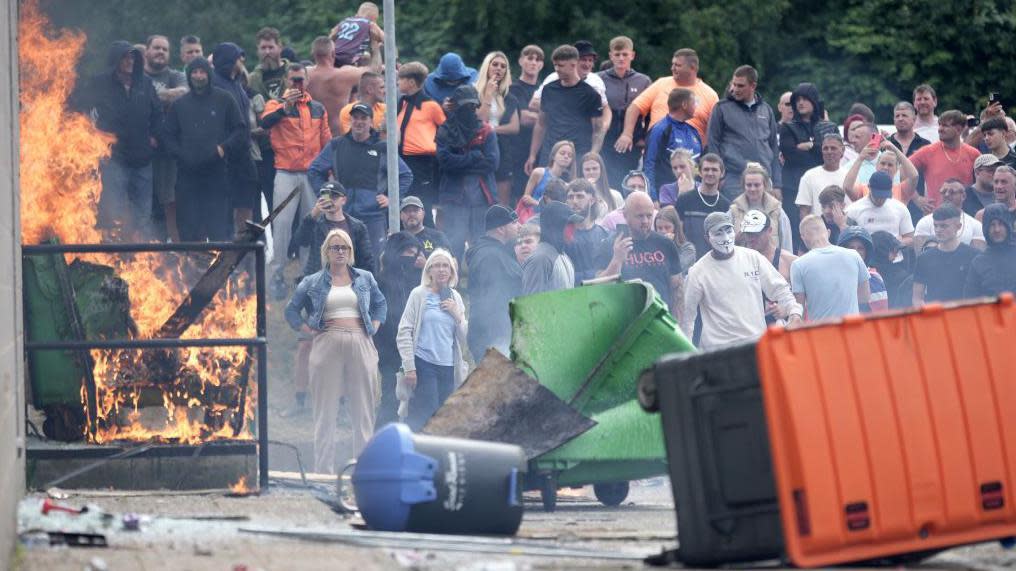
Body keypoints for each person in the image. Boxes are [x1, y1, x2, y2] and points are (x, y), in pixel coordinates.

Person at [285, 228, 386, 473]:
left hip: (360, 340)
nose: (340, 252)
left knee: (363, 409)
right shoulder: (312, 281)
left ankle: (363, 470)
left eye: (344, 247)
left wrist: (374, 325)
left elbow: (380, 303)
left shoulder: (365, 278)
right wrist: (308, 330)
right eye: (335, 247)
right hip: (327, 342)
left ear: (350, 252)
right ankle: (324, 471)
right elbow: (291, 310)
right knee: (325, 411)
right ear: (326, 251)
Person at [286, 181, 375, 417]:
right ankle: (299, 400)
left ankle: (344, 404)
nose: (330, 199)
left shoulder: (356, 227)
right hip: (315, 290)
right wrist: (312, 215)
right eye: (325, 195)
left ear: (344, 199)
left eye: (335, 195)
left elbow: (367, 261)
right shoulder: (316, 223)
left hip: (347, 293)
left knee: (344, 348)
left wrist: (363, 290)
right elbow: (298, 243)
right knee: (306, 344)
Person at [77, 40, 162, 240]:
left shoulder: (146, 83)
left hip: (142, 159)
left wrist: (155, 137)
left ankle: (143, 258)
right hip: (113, 158)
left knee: (142, 215)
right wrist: (92, 135)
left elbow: (157, 114)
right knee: (113, 212)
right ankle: (116, 257)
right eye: (125, 57)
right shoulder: (100, 83)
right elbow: (81, 110)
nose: (130, 61)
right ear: (116, 59)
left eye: (133, 57)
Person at [262, 63, 333, 298]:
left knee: (311, 223)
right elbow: (265, 122)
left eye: (301, 80)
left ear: (307, 80)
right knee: (281, 225)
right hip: (285, 172)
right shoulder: (275, 105)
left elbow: (326, 142)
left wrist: (329, 172)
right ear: (285, 80)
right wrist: (286, 107)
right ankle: (277, 274)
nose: (297, 84)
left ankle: (308, 274)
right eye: (293, 80)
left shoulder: (318, 108)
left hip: (312, 174)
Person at [682, 212, 802, 349]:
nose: (725, 237)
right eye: (718, 233)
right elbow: (687, 317)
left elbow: (780, 290)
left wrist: (795, 312)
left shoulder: (753, 258)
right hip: (718, 351)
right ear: (707, 238)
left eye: (728, 230)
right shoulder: (698, 272)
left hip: (756, 345)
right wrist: (687, 351)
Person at [309, 103, 413, 256]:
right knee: (339, 262)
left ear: (371, 122)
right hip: (341, 217)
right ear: (350, 120)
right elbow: (315, 171)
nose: (359, 121)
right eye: (355, 117)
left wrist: (392, 199)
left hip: (373, 218)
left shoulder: (382, 147)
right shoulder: (336, 145)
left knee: (373, 265)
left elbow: (405, 175)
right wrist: (326, 197)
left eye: (364, 118)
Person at [162, 57, 246, 241]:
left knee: (218, 229)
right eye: (194, 72)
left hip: (216, 173)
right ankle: (190, 269)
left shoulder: (224, 99)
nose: (198, 76)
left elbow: (240, 130)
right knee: (188, 229)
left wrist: (224, 148)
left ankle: (220, 269)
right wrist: (180, 154)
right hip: (187, 175)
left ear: (208, 74)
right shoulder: (179, 105)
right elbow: (167, 136)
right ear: (189, 75)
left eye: (202, 72)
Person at [397, 249, 468, 431]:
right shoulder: (418, 294)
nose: (441, 270)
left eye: (446, 266)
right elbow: (404, 331)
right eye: (436, 266)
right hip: (424, 363)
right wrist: (409, 367)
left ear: (452, 272)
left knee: (445, 416)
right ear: (428, 271)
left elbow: (464, 337)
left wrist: (457, 314)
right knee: (426, 413)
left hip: (448, 366)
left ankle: (440, 456)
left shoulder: (456, 297)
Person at [436, 85, 499, 259]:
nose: (468, 110)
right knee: (453, 243)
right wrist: (474, 156)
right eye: (464, 106)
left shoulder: (486, 131)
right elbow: (444, 162)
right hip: (454, 197)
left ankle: (482, 282)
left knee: (482, 243)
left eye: (472, 106)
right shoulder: (445, 130)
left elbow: (492, 163)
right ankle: (451, 282)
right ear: (456, 106)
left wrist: (459, 163)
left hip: (481, 198)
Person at [598, 192, 684, 316]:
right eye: (639, 216)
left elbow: (677, 290)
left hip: (660, 320)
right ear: (625, 216)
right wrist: (617, 260)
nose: (645, 221)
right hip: (624, 322)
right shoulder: (610, 245)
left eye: (649, 216)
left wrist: (678, 327)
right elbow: (598, 288)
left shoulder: (665, 244)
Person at [615, 48, 718, 151]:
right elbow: (634, 108)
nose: (672, 68)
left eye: (677, 65)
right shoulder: (661, 84)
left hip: (689, 157)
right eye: (672, 64)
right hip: (656, 151)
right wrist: (627, 134)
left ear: (693, 68)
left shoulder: (710, 95)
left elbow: (715, 130)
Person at [525, 45, 605, 173]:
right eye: (555, 65)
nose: (557, 69)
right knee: (544, 191)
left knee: (575, 192)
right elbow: (541, 124)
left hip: (577, 154)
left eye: (560, 66)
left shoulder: (591, 94)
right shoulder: (548, 89)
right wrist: (533, 155)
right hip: (550, 153)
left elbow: (598, 130)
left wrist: (593, 154)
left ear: (573, 64)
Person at [706, 66, 782, 200]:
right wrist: (720, 177)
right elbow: (713, 144)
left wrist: (777, 184)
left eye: (740, 86)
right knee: (737, 219)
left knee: (767, 220)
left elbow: (774, 148)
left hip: (764, 179)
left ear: (753, 86)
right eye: (734, 84)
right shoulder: (721, 108)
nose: (735, 89)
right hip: (734, 179)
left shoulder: (766, 110)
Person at [373, 232, 424, 427]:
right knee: (390, 403)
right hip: (390, 354)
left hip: (419, 352)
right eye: (406, 251)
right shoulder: (381, 282)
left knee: (417, 407)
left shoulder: (421, 280)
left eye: (414, 251)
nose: (412, 255)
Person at [779, 83, 837, 246]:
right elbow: (791, 155)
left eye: (805, 99)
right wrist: (818, 150)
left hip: (824, 185)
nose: (800, 103)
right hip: (794, 186)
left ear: (814, 101)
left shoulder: (828, 127)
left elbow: (834, 153)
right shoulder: (788, 127)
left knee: (827, 228)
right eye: (797, 100)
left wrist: (810, 146)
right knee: (797, 231)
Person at [143, 35, 187, 242]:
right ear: (146, 51)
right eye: (156, 48)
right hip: (139, 152)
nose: (161, 52)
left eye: (165, 49)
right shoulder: (136, 75)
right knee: (143, 204)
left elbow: (183, 93)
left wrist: (150, 97)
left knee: (170, 202)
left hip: (168, 152)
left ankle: (178, 253)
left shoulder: (175, 75)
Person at [210, 42, 259, 232]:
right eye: (239, 56)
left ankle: (242, 248)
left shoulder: (236, 83)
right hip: (225, 153)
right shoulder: (215, 84)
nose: (243, 60)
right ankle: (225, 251)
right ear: (229, 59)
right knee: (225, 207)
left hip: (243, 153)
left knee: (246, 200)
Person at [465, 205, 522, 359]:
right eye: (514, 222)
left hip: (494, 336)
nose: (519, 226)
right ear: (500, 229)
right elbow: (493, 303)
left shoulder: (497, 253)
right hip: (493, 338)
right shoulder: (490, 257)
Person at [791, 215, 870, 320]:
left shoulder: (798, 265)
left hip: (822, 332)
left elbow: (798, 309)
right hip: (852, 330)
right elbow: (864, 297)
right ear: (828, 232)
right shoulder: (854, 255)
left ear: (803, 238)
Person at [597, 36, 652, 188]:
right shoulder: (598, 79)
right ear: (610, 56)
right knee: (606, 180)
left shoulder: (643, 81)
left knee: (629, 181)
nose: (621, 58)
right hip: (605, 140)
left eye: (625, 54)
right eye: (617, 54)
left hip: (633, 141)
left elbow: (650, 114)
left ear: (632, 55)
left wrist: (644, 138)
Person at [397, 62, 447, 224]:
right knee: (404, 204)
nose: (398, 83)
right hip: (402, 160)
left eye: (401, 79)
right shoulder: (401, 103)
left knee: (422, 205)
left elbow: (445, 130)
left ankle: (429, 241)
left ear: (411, 82)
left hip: (423, 162)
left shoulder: (431, 106)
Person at [475, 51, 521, 207]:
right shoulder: (474, 93)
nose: (499, 69)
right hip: (479, 150)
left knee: (502, 203)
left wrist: (492, 129)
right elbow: (479, 121)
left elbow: (514, 127)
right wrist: (487, 95)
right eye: (495, 64)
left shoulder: (509, 97)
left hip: (503, 150)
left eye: (503, 66)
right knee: (480, 200)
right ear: (486, 67)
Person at [909, 110, 982, 208]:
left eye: (945, 126)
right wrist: (917, 198)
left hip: (965, 215)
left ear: (959, 129)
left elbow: (984, 182)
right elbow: (902, 172)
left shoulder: (973, 154)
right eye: (939, 125)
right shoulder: (928, 151)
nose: (940, 129)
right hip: (936, 216)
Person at [912, 204, 980, 305]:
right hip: (935, 316)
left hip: (965, 316)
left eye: (944, 226)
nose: (938, 230)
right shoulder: (924, 258)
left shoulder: (973, 256)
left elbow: (979, 295)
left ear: (958, 227)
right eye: (936, 225)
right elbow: (917, 298)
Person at [644, 88, 702, 198]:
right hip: (667, 197)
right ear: (684, 104)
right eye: (694, 102)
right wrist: (653, 197)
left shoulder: (693, 132)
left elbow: (698, 166)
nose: (696, 106)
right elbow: (649, 165)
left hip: (694, 197)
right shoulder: (660, 130)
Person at [306, 36, 370, 136]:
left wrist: (333, 35)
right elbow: (375, 70)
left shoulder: (305, 75)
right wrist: (375, 45)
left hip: (311, 137)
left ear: (313, 54)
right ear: (333, 54)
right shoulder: (344, 75)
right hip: (337, 136)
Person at [674, 153, 731, 260]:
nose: (710, 173)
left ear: (722, 173)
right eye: (706, 169)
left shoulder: (726, 205)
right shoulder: (684, 200)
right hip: (690, 261)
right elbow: (677, 232)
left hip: (716, 261)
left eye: (714, 170)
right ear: (700, 172)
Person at [508, 46, 545, 204]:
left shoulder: (545, 88)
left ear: (542, 65)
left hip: (542, 150)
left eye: (537, 59)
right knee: (520, 194)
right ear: (521, 61)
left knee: (540, 193)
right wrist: (543, 117)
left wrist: (536, 115)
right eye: (529, 58)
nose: (533, 62)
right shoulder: (513, 88)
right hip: (519, 149)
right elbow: (523, 118)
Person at [729, 163, 792, 253]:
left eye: (757, 185)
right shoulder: (733, 211)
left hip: (770, 263)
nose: (753, 189)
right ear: (743, 186)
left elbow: (787, 245)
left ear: (765, 185)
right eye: (749, 185)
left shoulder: (777, 211)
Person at [522, 200, 581, 294]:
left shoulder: (564, 257)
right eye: (569, 224)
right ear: (555, 226)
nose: (574, 228)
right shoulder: (540, 259)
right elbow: (530, 304)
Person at [845, 171, 916, 246]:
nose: (880, 200)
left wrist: (896, 243)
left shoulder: (900, 208)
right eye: (877, 195)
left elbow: (910, 238)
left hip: (894, 255)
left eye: (884, 196)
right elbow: (846, 240)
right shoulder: (853, 210)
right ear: (869, 187)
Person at [913, 180, 985, 251]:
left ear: (963, 196)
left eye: (952, 192)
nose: (947, 195)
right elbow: (921, 257)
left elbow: (977, 257)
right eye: (943, 192)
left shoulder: (975, 225)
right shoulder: (924, 222)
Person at [965, 204, 1016, 298]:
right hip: (991, 312)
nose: (997, 230)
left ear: (1008, 225)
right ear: (986, 228)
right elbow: (970, 301)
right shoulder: (979, 263)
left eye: (1001, 224)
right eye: (992, 225)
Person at [796, 133, 851, 218]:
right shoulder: (809, 176)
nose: (829, 152)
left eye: (833, 148)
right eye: (825, 148)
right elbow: (804, 211)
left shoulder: (850, 176)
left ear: (842, 150)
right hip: (818, 229)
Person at [565, 179, 609, 283]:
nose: (575, 201)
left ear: (592, 200)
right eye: (571, 197)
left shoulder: (605, 235)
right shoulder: (560, 236)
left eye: (580, 196)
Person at [836, 226, 889, 312]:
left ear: (866, 252)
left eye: (860, 248)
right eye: (851, 248)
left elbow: (881, 314)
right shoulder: (834, 276)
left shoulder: (875, 279)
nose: (855, 252)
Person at [519, 140, 575, 220]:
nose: (566, 157)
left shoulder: (568, 184)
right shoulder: (539, 173)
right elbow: (525, 198)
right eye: (562, 153)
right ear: (553, 156)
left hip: (552, 221)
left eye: (570, 155)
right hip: (532, 217)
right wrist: (539, 204)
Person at [740, 209, 796, 284]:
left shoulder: (789, 261)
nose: (751, 238)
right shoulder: (739, 261)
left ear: (769, 231)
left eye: (756, 233)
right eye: (748, 233)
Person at [330, 2, 384, 67]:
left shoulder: (346, 21)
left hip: (334, 57)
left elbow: (332, 34)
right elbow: (386, 39)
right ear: (373, 18)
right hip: (348, 59)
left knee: (365, 56)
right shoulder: (369, 23)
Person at [580, 152, 623, 222]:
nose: (591, 172)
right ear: (582, 172)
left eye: (595, 168)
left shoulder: (616, 195)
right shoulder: (575, 196)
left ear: (601, 170)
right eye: (587, 169)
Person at [248, 27, 289, 101]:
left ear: (280, 48)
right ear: (258, 50)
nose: (267, 52)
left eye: (271, 47)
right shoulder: (252, 80)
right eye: (263, 48)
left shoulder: (293, 72)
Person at [655, 205, 697, 275]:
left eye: (667, 227)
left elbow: (677, 270)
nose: (663, 231)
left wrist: (668, 247)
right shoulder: (652, 247)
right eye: (659, 228)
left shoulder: (687, 249)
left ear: (675, 228)